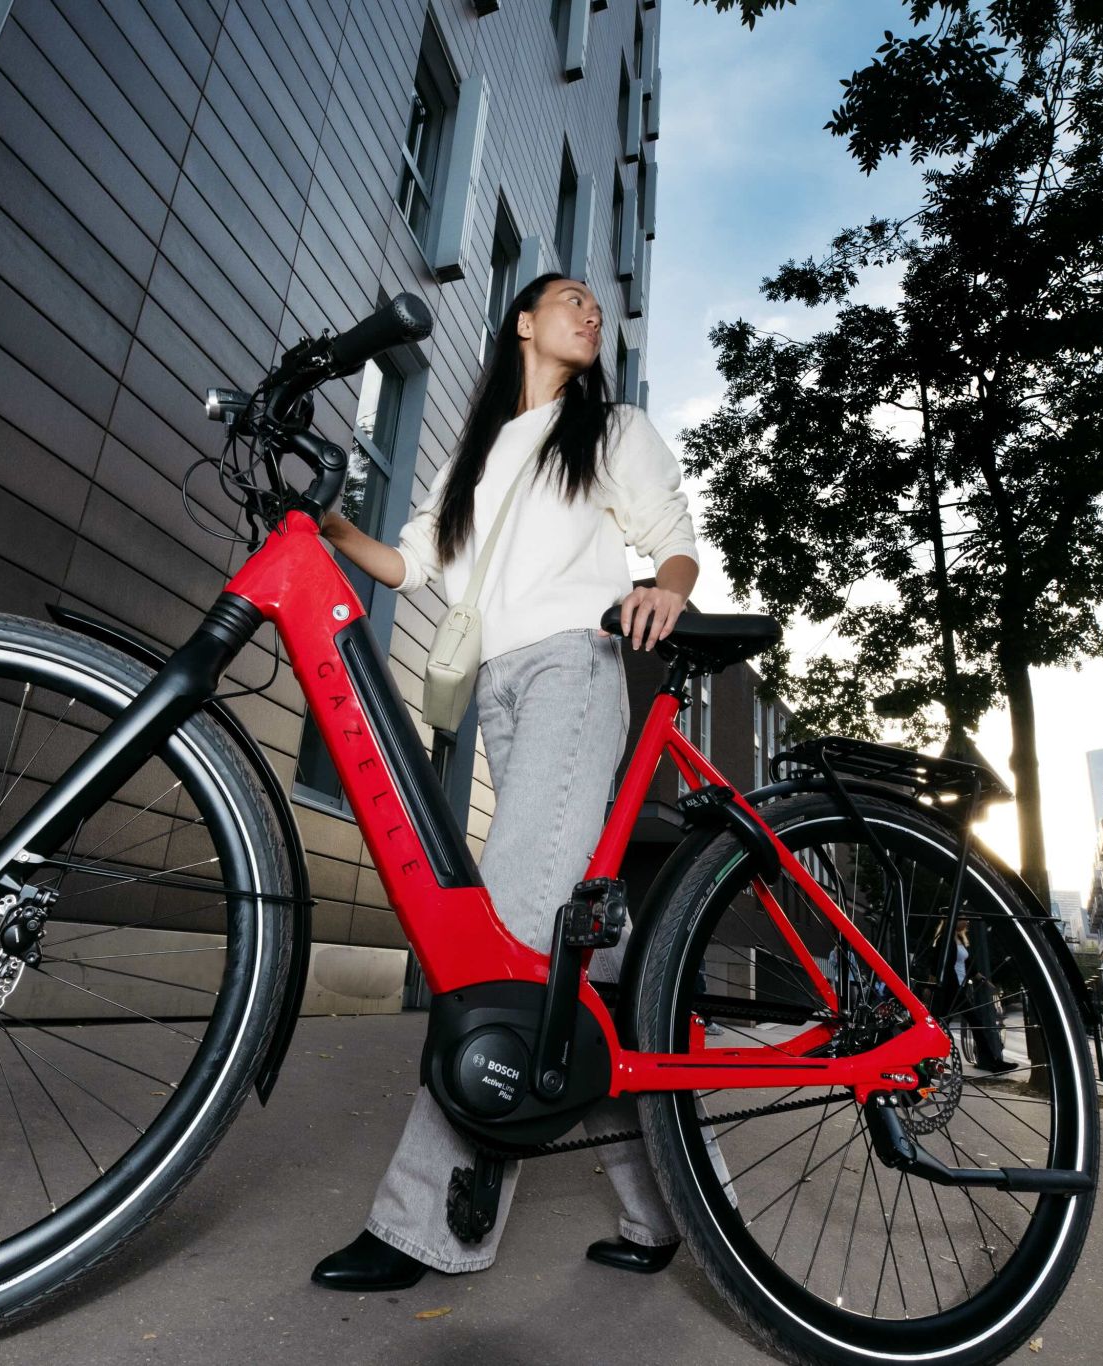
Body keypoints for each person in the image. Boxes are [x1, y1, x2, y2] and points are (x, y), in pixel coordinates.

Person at [308, 274, 700, 1291]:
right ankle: (672, 1213)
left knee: (514, 938)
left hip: (576, 667)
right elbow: (406, 566)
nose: (589, 312)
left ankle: (422, 1224)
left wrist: (663, 585)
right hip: (498, 689)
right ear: (521, 320)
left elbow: (671, 539)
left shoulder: (607, 428)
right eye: (567, 297)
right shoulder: (477, 454)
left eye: (595, 308)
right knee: (585, 964)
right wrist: (324, 530)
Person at [941, 920, 1019, 1075]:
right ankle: (994, 1063)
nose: (968, 921)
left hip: (958, 989)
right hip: (950, 989)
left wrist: (984, 980)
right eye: (963, 917)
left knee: (941, 1025)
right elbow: (937, 964)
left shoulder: (959, 939)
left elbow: (969, 965)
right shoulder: (946, 939)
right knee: (973, 1023)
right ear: (955, 920)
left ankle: (993, 1062)